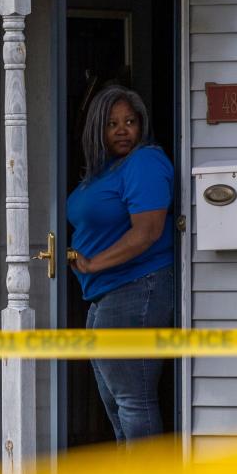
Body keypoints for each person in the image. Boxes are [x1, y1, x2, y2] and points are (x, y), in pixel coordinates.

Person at [67, 84, 176, 444]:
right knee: (115, 402)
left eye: (130, 121)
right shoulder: (105, 171)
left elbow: (147, 231)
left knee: (133, 400)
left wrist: (95, 263)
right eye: (112, 123)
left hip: (137, 288)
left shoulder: (144, 162)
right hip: (108, 296)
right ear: (98, 129)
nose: (122, 130)